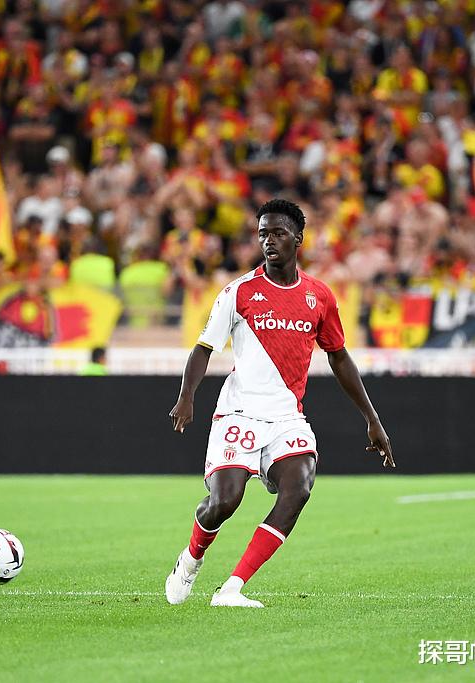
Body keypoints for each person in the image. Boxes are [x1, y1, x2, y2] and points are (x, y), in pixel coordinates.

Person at [164, 199, 395, 608]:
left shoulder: (319, 296)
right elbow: (203, 348)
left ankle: (232, 588)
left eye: (278, 233)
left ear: (298, 239)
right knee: (223, 503)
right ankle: (191, 559)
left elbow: (339, 357)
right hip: (240, 412)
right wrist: (186, 397)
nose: (268, 241)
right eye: (262, 234)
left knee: (299, 487)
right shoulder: (239, 292)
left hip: (287, 417)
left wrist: (372, 418)